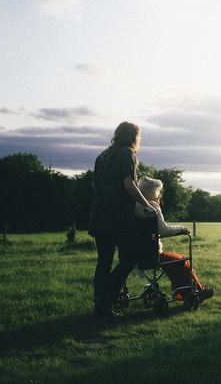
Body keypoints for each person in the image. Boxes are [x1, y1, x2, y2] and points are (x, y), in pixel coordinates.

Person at [88, 122, 158, 319]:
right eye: (139, 135)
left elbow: (96, 185)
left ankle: (100, 306)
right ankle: (106, 298)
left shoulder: (101, 156)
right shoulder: (127, 153)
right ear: (133, 136)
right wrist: (147, 204)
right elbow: (129, 185)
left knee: (104, 262)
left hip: (99, 216)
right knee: (129, 258)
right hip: (117, 218)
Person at [134, 176, 215, 302]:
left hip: (135, 254)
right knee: (182, 260)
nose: (160, 196)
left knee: (173, 262)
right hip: (152, 255)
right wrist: (182, 228)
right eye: (158, 192)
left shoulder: (134, 206)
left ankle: (183, 294)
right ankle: (198, 292)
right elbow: (164, 230)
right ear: (152, 192)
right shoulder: (152, 206)